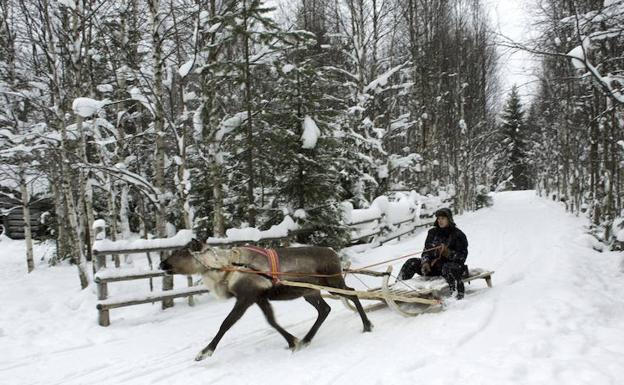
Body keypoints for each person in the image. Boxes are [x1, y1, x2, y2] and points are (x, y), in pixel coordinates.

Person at [397, 208, 469, 299]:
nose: (440, 221)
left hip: (452, 269)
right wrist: (425, 262)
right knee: (411, 262)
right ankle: (398, 288)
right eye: (438, 218)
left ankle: (456, 294)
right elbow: (425, 252)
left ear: (449, 219)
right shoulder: (432, 233)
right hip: (435, 268)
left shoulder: (458, 235)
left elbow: (462, 258)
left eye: (443, 218)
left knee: (448, 267)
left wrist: (449, 253)